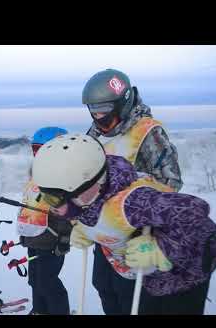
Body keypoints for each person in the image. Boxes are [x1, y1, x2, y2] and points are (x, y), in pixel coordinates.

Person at [31, 134, 216, 314]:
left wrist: (163, 251)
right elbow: (100, 214)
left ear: (87, 189)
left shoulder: (135, 202)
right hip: (140, 281)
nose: (51, 206)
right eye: (45, 196)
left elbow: (209, 234)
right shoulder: (90, 198)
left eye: (54, 198)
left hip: (177, 287)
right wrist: (86, 229)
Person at [82, 69, 183, 314]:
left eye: (105, 110)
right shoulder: (95, 133)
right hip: (104, 231)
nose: (99, 117)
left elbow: (171, 182)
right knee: (103, 286)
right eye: (93, 110)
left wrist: (149, 224)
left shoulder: (147, 132)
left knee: (129, 296)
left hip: (136, 234)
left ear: (123, 103)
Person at [17, 127, 72, 315]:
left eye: (42, 150)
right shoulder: (35, 174)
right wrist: (24, 232)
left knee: (47, 281)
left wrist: (64, 238)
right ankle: (40, 310)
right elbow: (28, 203)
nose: (37, 155)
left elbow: (68, 213)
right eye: (35, 150)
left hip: (52, 239)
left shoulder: (65, 177)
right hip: (34, 236)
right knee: (34, 279)